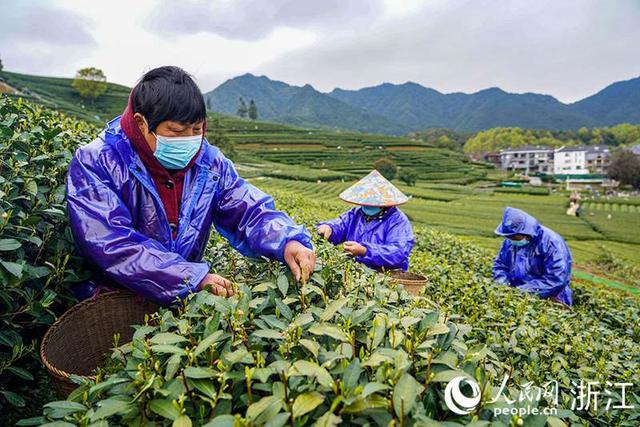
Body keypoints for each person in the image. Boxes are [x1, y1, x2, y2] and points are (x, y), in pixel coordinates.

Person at [66, 66, 316, 305]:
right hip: (114, 299)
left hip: (181, 297)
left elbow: (246, 208)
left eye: (197, 129)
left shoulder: (209, 162)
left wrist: (286, 240)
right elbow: (112, 243)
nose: (190, 141)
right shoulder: (97, 161)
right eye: (176, 131)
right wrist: (189, 278)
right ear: (142, 123)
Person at [316, 170, 414, 271]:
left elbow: (398, 253)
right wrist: (329, 228)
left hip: (386, 277)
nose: (368, 206)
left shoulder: (398, 221)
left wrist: (365, 251)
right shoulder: (356, 214)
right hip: (355, 272)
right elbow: (340, 224)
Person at [492, 207, 573, 306]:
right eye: (508, 236)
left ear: (526, 232)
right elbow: (500, 265)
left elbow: (557, 279)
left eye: (514, 237)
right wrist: (502, 282)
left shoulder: (551, 243)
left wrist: (523, 291)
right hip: (518, 295)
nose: (511, 239)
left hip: (551, 297)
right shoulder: (510, 242)